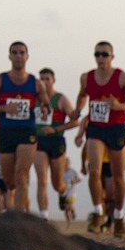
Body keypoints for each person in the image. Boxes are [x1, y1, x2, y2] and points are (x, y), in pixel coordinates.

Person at [74, 41, 125, 238]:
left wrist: (119, 106)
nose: (101, 58)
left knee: (118, 176)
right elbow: (82, 96)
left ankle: (119, 216)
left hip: (116, 128)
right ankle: (98, 212)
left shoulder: (122, 77)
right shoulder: (86, 77)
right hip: (96, 127)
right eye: (97, 54)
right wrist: (78, 109)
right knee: (94, 171)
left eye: (105, 54)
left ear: (112, 56)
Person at [0, 42, 48, 213]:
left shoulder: (36, 83)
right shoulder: (0, 80)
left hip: (27, 132)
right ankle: (18, 202)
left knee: (21, 175)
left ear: (27, 56)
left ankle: (18, 218)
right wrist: (4, 108)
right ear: (9, 56)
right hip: (6, 132)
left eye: (22, 53)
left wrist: (45, 109)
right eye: (15, 53)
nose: (18, 56)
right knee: (10, 181)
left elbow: (46, 104)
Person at [34, 67, 80, 220]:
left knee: (56, 183)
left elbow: (75, 121)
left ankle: (63, 190)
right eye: (41, 79)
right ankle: (43, 216)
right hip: (38, 141)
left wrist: (56, 129)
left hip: (56, 141)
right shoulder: (34, 99)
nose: (44, 82)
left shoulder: (60, 99)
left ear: (53, 80)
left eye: (47, 78)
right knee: (42, 180)